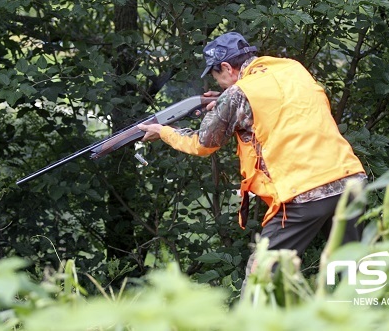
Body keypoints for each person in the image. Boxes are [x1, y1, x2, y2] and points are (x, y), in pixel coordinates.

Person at [137, 32, 366, 294]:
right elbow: (282, 110)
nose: (220, 83)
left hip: (303, 193)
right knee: (355, 273)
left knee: (260, 284)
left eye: (217, 77)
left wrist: (163, 132)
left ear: (226, 67)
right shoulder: (292, 68)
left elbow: (202, 144)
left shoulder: (238, 93)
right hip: (349, 181)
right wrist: (224, 100)